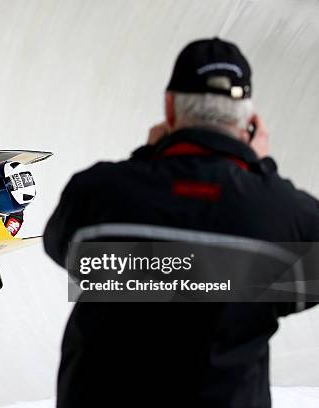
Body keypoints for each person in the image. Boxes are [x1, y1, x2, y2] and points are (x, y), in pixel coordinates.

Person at [43, 38, 319, 408]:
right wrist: (259, 169)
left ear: (169, 109)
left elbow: (62, 247)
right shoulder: (286, 218)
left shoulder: (96, 194)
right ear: (249, 122)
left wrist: (145, 158)